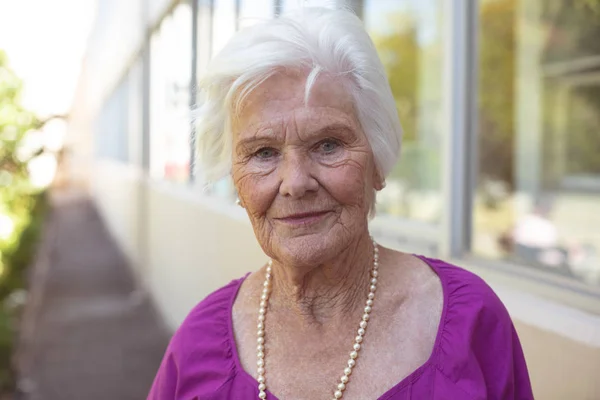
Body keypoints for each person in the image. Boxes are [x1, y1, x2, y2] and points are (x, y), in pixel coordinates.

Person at [148, 7, 533, 400]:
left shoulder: (472, 322)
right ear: (236, 181)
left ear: (378, 164)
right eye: (263, 152)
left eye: (328, 145)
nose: (295, 183)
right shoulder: (198, 345)